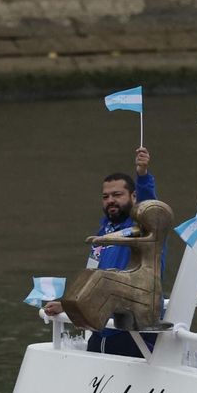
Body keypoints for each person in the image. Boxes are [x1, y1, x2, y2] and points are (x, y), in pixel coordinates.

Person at [44, 147, 158, 357]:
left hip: (132, 327)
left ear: (133, 196)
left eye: (117, 195)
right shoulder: (103, 232)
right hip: (102, 328)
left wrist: (142, 174)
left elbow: (150, 206)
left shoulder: (142, 227)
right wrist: (68, 304)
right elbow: (93, 275)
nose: (110, 200)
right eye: (105, 196)